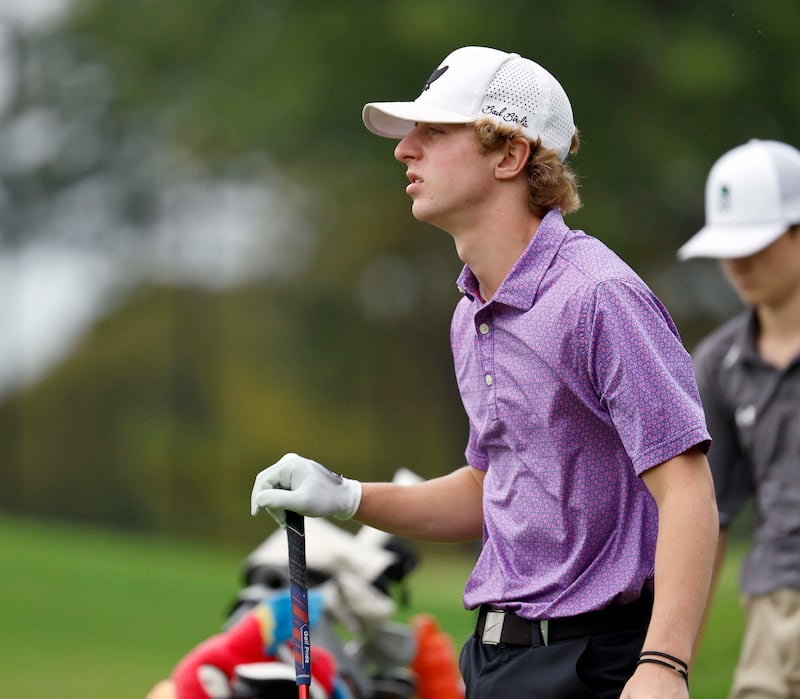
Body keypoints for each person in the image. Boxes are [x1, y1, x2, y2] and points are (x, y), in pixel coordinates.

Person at [251, 46, 719, 699]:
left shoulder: (599, 297)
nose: (404, 150)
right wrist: (349, 496)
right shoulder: (471, 311)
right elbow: (491, 489)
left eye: (434, 131)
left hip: (594, 665)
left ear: (509, 155)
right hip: (494, 661)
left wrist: (665, 664)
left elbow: (689, 488)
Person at [677, 139, 800, 699]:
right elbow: (708, 517)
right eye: (727, 248)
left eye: (754, 244)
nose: (736, 265)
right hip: (772, 610)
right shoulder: (719, 363)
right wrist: (672, 667)